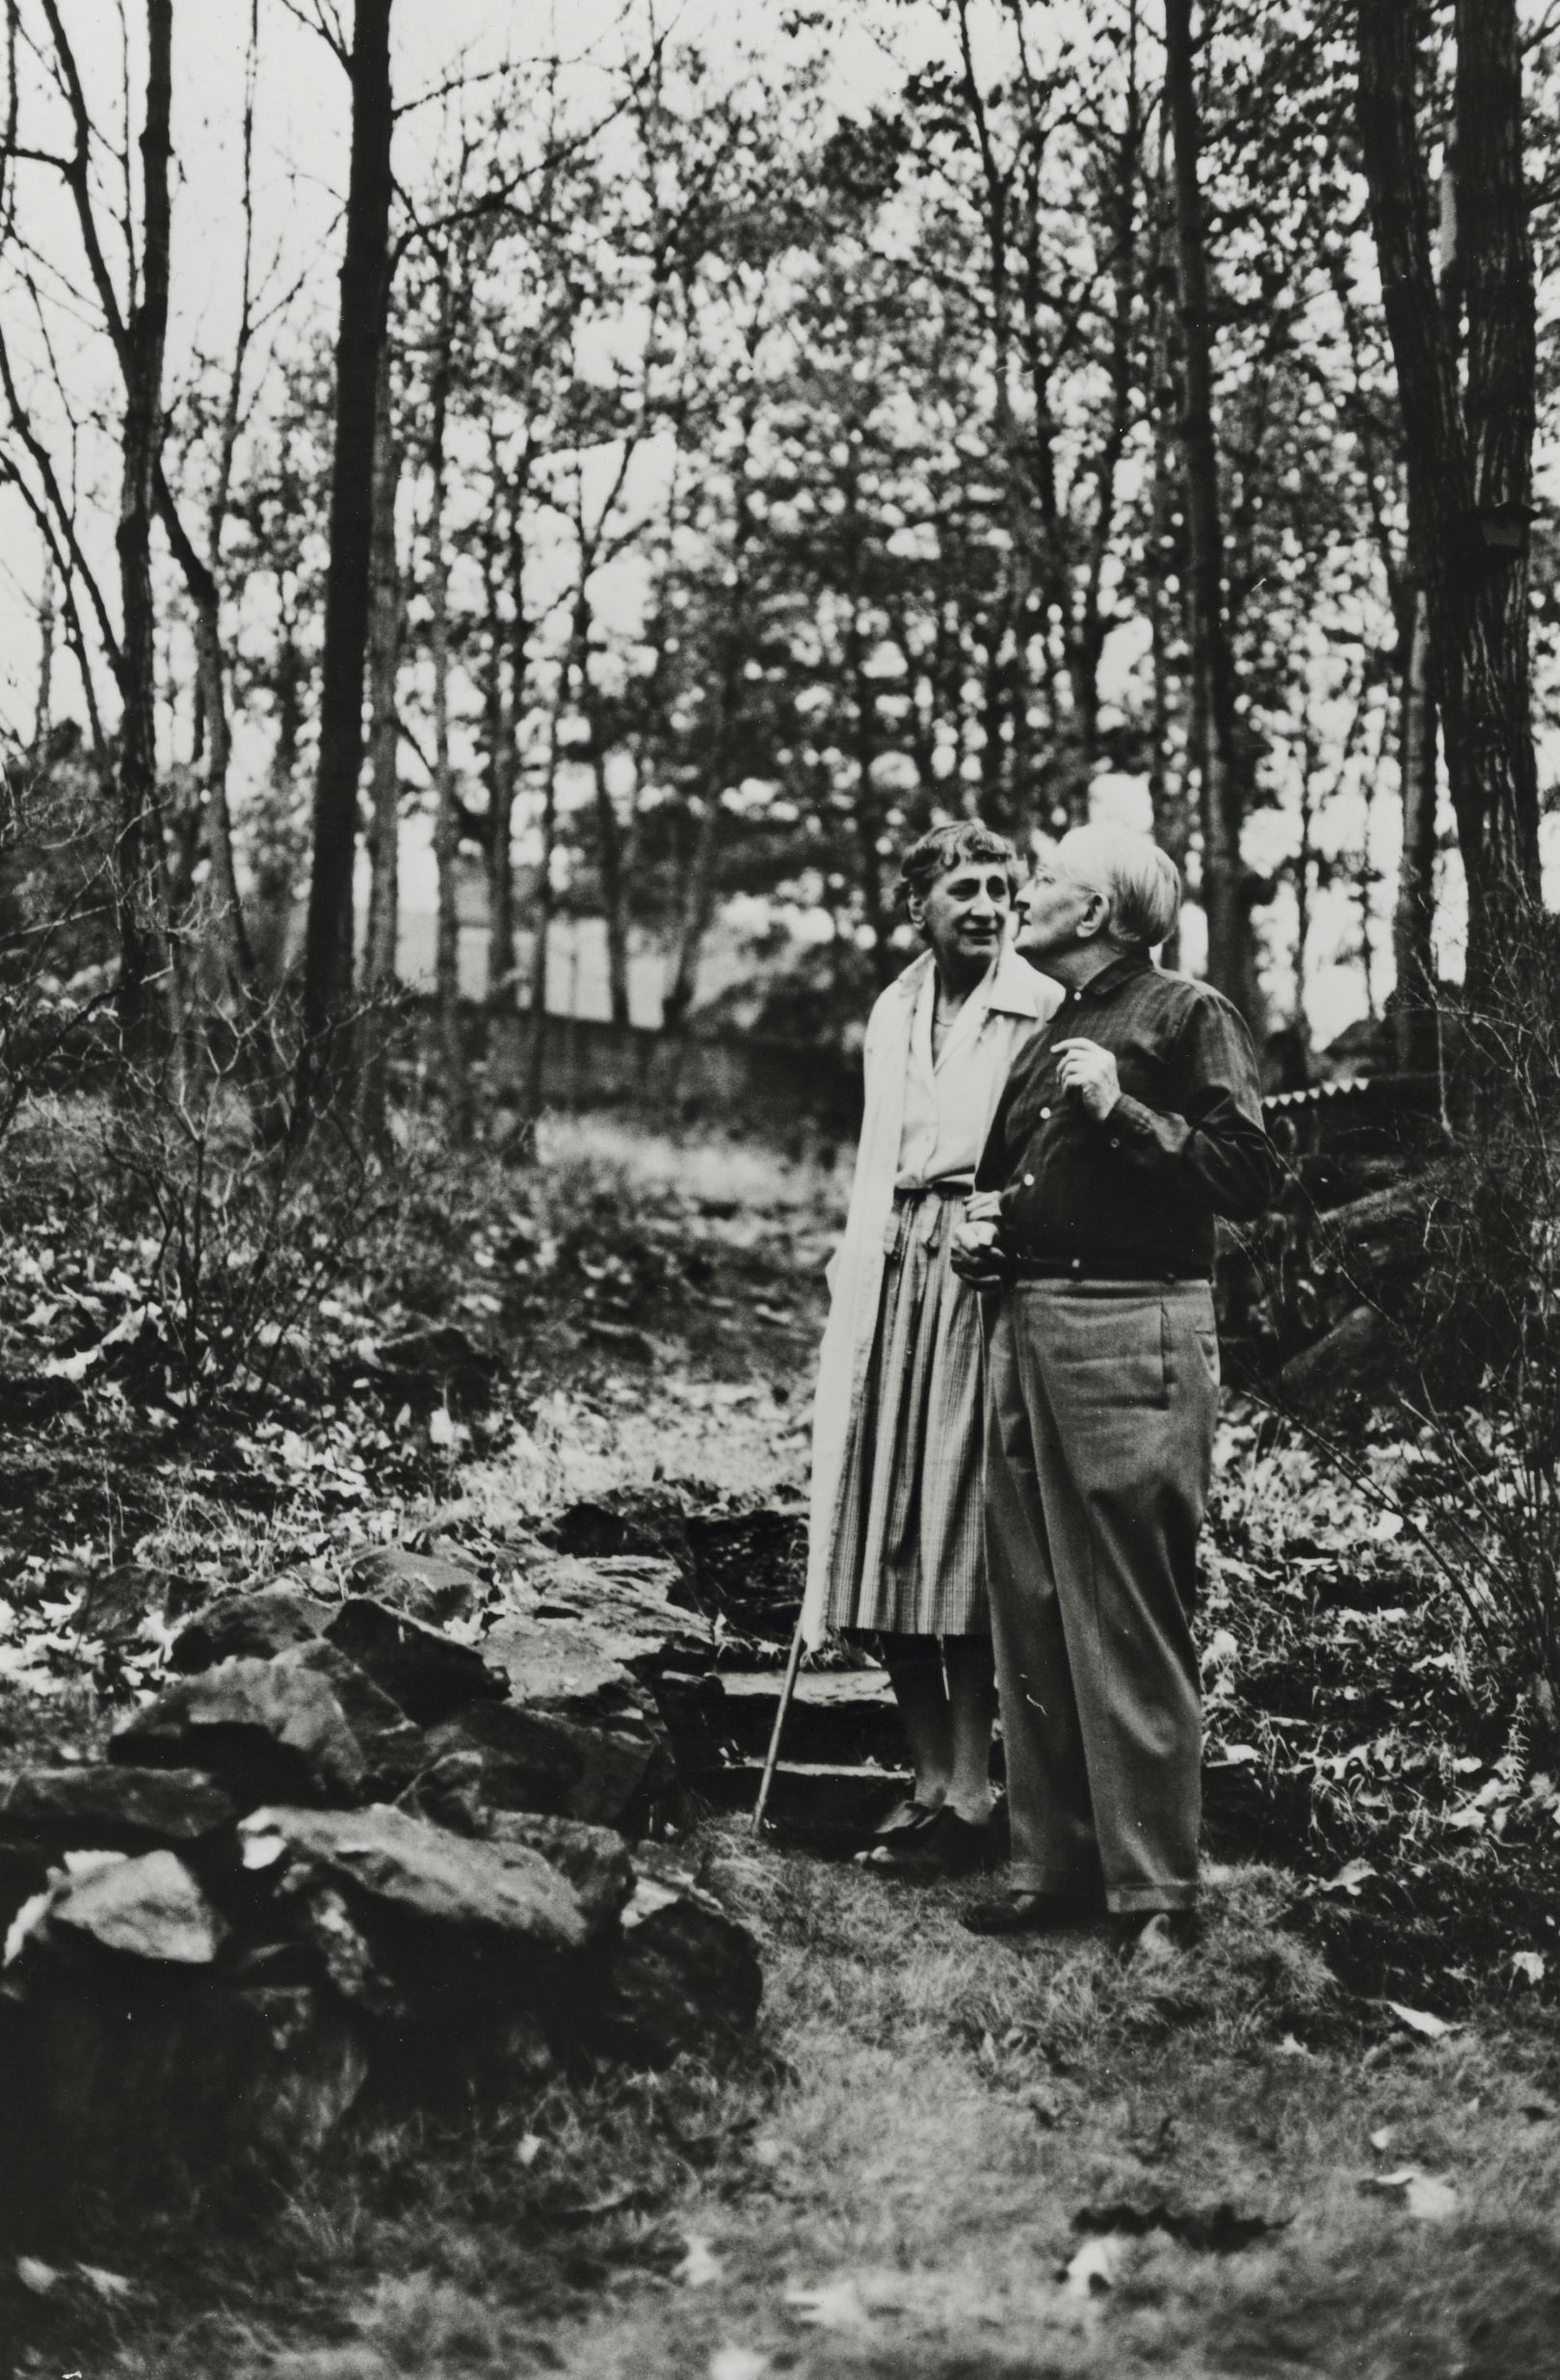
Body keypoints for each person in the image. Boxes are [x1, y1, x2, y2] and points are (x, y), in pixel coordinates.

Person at [952, 823, 1278, 1951]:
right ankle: (1053, 1872)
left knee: (1128, 1613)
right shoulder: (1055, 1027)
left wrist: (1121, 1110)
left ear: (1095, 913)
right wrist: (983, 1230)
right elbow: (1009, 1181)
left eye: (1042, 882)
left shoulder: (1186, 1014)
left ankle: (1156, 1900)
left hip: (1130, 1330)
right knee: (1032, 1606)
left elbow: (1247, 1173)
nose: (1021, 896)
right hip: (1025, 1326)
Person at [801, 821, 1063, 1879]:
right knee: (879, 1527)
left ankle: (971, 1788)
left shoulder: (1037, 1007)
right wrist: (852, 1269)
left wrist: (1006, 1232)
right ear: (918, 905)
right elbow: (875, 1160)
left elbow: (1050, 1157)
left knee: (957, 1527)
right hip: (888, 1275)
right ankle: (921, 1780)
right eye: (962, 887)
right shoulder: (893, 1009)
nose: (986, 906)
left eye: (1000, 888)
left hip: (978, 1277)